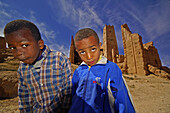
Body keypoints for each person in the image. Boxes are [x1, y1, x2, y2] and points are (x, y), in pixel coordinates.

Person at [3, 19, 72, 113]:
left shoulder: (59, 59)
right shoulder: (22, 69)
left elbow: (68, 89)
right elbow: (25, 98)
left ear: (40, 44)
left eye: (24, 45)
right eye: (13, 48)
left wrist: (66, 109)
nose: (18, 53)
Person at [69, 28, 135, 113]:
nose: (89, 56)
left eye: (93, 49)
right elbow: (72, 97)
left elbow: (123, 102)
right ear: (77, 52)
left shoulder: (111, 68)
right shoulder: (78, 71)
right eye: (82, 52)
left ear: (100, 46)